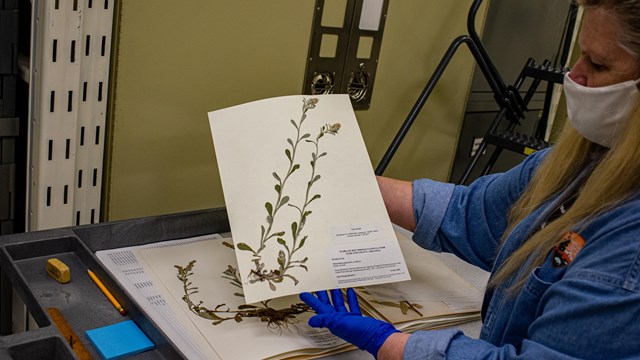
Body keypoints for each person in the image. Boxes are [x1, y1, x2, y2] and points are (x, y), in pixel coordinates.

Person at [300, 0, 640, 358]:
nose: (574, 75)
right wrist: (353, 186)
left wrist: (392, 344)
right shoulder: (582, 161)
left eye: (599, 64)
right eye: (579, 55)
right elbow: (475, 214)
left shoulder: (629, 251)